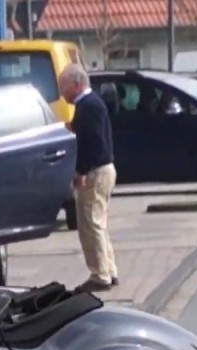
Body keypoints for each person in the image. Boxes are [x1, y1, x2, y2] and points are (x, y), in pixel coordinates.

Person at [58, 63, 119, 293]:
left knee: (91, 224)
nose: (61, 94)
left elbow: (93, 142)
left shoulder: (88, 106)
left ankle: (100, 274)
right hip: (103, 169)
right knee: (99, 224)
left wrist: (81, 171)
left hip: (96, 170)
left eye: (63, 87)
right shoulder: (90, 105)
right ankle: (109, 270)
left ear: (76, 84)